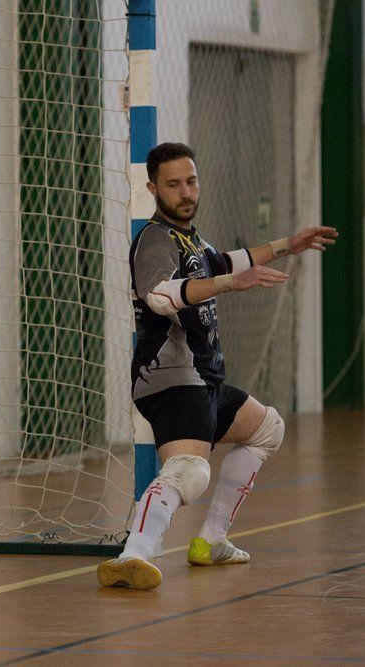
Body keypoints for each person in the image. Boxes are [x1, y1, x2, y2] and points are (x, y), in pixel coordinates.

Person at [97, 142, 338, 590]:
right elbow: (159, 295)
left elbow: (228, 261)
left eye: (191, 181)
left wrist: (290, 244)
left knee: (267, 428)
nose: (185, 192)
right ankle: (132, 555)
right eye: (173, 184)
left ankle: (211, 542)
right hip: (169, 379)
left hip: (204, 378)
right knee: (189, 471)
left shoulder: (190, 239)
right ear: (153, 188)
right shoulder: (154, 239)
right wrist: (229, 284)